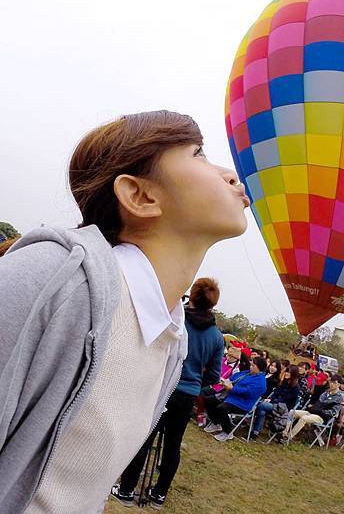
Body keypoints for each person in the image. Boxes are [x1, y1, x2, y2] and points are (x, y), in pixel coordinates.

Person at [0, 110, 249, 514]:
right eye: (199, 153)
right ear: (141, 196)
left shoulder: (172, 336)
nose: (231, 175)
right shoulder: (55, 278)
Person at [112, 277, 225, 508]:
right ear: (213, 304)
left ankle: (126, 489)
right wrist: (195, 386)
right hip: (187, 395)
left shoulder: (175, 320)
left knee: (146, 436)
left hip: (163, 386)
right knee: (173, 444)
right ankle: (159, 494)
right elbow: (214, 376)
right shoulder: (216, 337)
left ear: (192, 297)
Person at [204, 356, 267, 441]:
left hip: (242, 403)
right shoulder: (247, 373)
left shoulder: (260, 382)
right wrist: (226, 381)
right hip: (231, 396)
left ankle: (228, 432)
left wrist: (232, 388)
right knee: (209, 401)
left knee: (221, 408)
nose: (250, 367)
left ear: (259, 368)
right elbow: (234, 377)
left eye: (253, 366)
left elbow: (247, 392)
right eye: (251, 365)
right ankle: (216, 422)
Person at [284, 375, 343, 444]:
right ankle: (284, 433)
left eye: (334, 383)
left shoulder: (339, 397)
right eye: (331, 382)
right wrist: (313, 408)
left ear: (338, 384)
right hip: (313, 413)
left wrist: (321, 411)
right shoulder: (325, 393)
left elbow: (333, 412)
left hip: (322, 418)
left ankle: (289, 437)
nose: (332, 384)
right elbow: (318, 404)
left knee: (304, 418)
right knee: (292, 412)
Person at [251, 365, 300, 439]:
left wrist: (272, 401)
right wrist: (270, 399)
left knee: (261, 405)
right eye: (286, 371)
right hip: (274, 405)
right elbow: (276, 393)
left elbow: (284, 399)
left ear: (293, 374)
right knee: (262, 411)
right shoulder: (283, 383)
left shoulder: (295, 388)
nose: (286, 373)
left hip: (283, 408)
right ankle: (255, 432)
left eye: (289, 372)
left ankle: (249, 418)